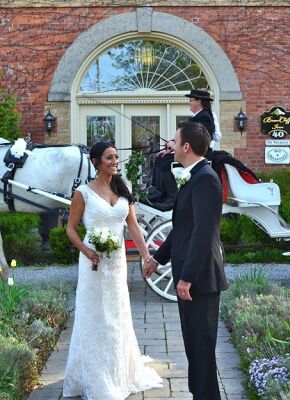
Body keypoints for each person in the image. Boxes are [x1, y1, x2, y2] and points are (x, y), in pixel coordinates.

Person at [63, 142, 163, 399]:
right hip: (93, 264)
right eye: (109, 157)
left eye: (116, 157)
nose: (115, 161)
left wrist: (145, 256)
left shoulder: (123, 189)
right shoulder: (83, 193)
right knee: (94, 317)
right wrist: (87, 252)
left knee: (116, 316)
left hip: (116, 264)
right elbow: (71, 230)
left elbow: (134, 227)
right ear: (96, 161)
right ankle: (95, 378)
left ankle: (119, 372)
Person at [143, 122, 229, 400]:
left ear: (186, 147)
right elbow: (182, 228)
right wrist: (157, 258)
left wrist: (187, 277)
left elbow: (204, 233)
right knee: (194, 346)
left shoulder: (206, 179)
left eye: (175, 141)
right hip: (192, 278)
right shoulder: (195, 177)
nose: (171, 145)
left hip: (201, 280)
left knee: (202, 348)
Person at [185, 89, 221, 155]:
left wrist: (176, 144)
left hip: (197, 155)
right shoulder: (197, 117)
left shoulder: (204, 117)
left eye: (191, 100)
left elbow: (195, 139)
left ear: (199, 101)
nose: (189, 103)